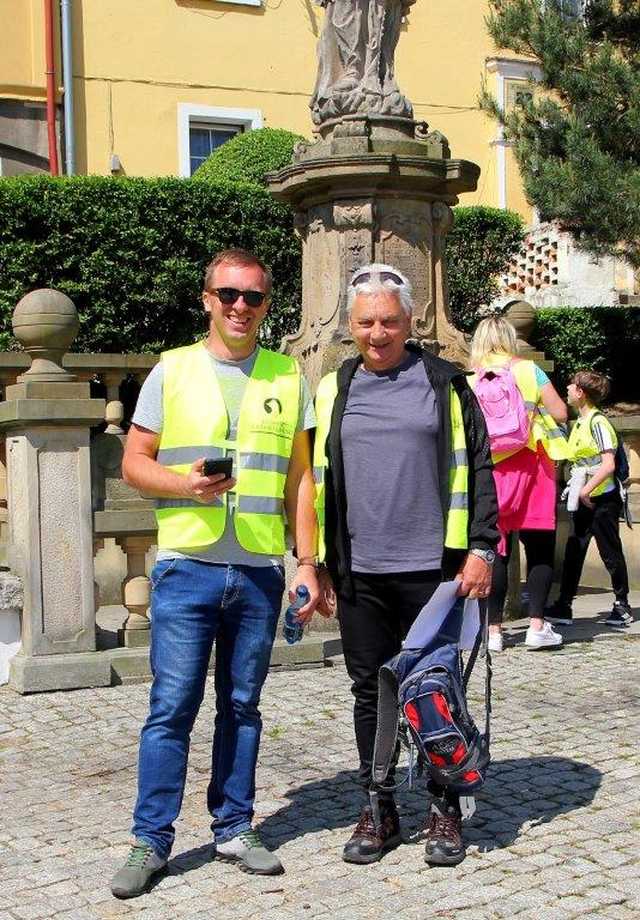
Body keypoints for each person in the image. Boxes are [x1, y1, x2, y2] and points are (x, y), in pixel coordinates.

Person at [110, 249, 320, 898]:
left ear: (265, 305)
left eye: (253, 297)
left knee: (242, 706)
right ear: (206, 298)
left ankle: (234, 825)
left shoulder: (289, 376)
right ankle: (152, 840)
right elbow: (134, 463)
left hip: (257, 572)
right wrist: (186, 486)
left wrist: (306, 564)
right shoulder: (171, 371)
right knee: (171, 707)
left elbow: (301, 480)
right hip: (186, 568)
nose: (239, 306)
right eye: (227, 294)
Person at [313, 263, 499, 867]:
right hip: (360, 569)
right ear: (350, 323)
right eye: (366, 321)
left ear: (409, 321)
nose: (377, 332)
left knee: (437, 689)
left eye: (389, 320)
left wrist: (482, 547)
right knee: (371, 691)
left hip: (435, 569)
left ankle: (445, 808)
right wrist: (315, 561)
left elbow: (479, 466)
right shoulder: (334, 386)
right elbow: (314, 482)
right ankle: (380, 804)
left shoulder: (445, 381)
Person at [468, 316, 569, 652]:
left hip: (491, 470)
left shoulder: (471, 379)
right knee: (539, 545)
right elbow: (560, 412)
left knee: (496, 549)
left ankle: (493, 631)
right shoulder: (528, 370)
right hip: (533, 463)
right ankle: (537, 626)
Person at [546, 370, 633, 629]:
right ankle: (564, 604)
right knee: (574, 550)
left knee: (610, 552)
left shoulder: (598, 423)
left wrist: (586, 491)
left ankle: (622, 604)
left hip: (602, 499)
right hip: (585, 497)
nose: (568, 389)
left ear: (581, 393)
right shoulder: (581, 422)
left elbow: (608, 464)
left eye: (572, 386)